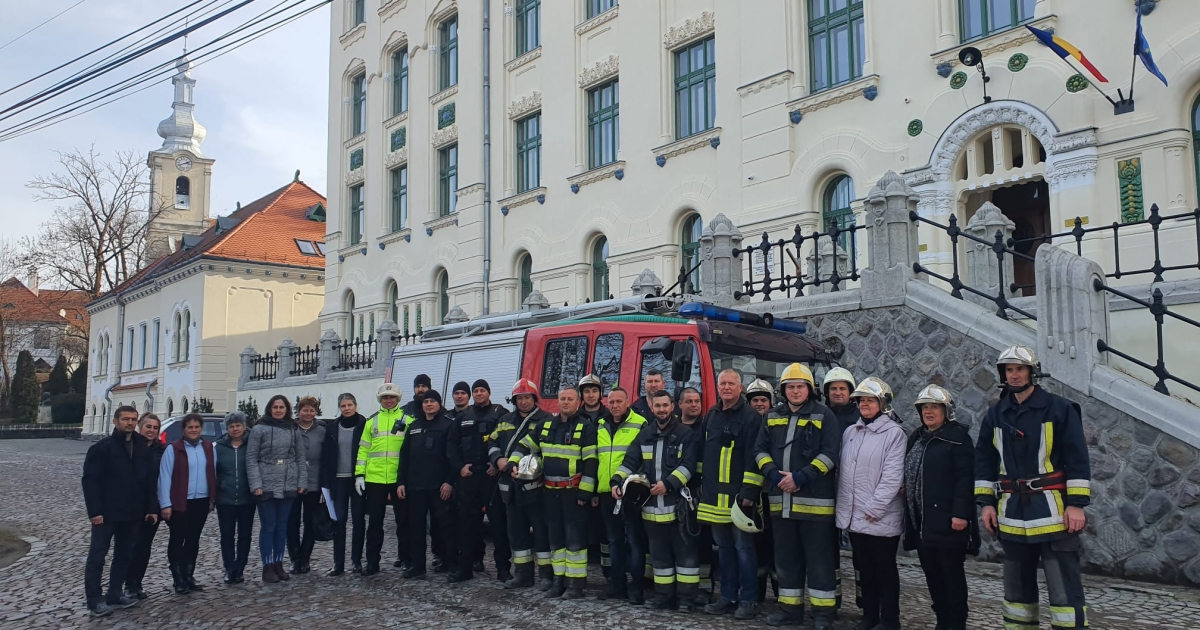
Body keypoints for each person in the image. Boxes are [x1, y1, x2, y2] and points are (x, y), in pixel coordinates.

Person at [975, 345, 1091, 630]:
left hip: (1054, 511)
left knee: (1063, 588)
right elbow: (985, 462)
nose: (1014, 376)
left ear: (1032, 372)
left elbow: (1077, 458)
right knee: (1016, 590)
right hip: (1012, 515)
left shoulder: (1060, 409)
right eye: (1009, 370)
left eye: (1020, 369)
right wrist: (987, 503)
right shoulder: (995, 415)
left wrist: (1076, 504)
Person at [755, 364, 841, 629]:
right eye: (790, 387)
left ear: (809, 389)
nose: (794, 391)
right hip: (781, 503)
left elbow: (830, 455)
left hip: (815, 506)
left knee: (819, 562)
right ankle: (789, 610)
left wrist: (800, 477)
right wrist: (774, 475)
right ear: (783, 390)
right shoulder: (771, 416)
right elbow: (759, 450)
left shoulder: (824, 415)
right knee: (786, 561)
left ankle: (823, 615)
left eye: (799, 386)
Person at [612, 390, 700, 611]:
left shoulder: (685, 434)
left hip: (678, 508)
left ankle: (687, 600)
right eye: (657, 406)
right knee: (659, 559)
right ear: (651, 408)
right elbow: (630, 460)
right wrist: (617, 481)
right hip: (651, 510)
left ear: (672, 407)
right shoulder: (645, 435)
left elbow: (689, 466)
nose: (661, 409)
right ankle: (664, 597)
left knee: (685, 558)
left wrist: (668, 484)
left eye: (665, 405)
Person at [509, 386, 598, 599]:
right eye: (562, 399)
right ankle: (559, 582)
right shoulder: (546, 425)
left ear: (578, 403)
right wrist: (514, 463)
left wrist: (584, 494)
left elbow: (591, 463)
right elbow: (523, 445)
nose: (566, 402)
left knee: (574, 542)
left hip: (573, 493)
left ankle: (575, 585)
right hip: (549, 493)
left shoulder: (586, 428)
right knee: (556, 541)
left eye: (570, 399)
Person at [904, 384, 978, 630]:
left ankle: (956, 624)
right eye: (925, 407)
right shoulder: (917, 437)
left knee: (952, 577)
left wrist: (960, 514)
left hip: (948, 522)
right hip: (923, 523)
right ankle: (942, 621)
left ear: (946, 410)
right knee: (933, 577)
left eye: (934, 407)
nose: (929, 412)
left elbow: (965, 479)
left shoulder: (958, 439)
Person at [837, 377, 907, 630]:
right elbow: (845, 475)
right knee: (863, 568)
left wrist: (875, 508)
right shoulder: (850, 432)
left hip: (880, 516)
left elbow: (892, 476)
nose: (865, 405)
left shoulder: (894, 434)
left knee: (884, 570)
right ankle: (869, 616)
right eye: (862, 400)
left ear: (883, 404)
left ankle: (889, 619)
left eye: (870, 400)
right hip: (856, 516)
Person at [82, 405, 158, 617]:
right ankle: (94, 599)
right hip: (106, 513)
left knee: (125, 555)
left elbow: (150, 481)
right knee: (97, 556)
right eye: (125, 419)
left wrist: (151, 508)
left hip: (133, 512)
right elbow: (90, 481)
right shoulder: (101, 449)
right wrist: (94, 511)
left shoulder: (142, 447)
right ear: (116, 421)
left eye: (133, 419)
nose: (130, 423)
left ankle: (115, 592)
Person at [701, 369, 764, 620]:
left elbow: (754, 456)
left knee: (744, 549)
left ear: (741, 388)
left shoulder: (750, 417)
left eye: (731, 383)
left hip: (739, 499)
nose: (726, 387)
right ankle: (727, 596)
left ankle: (748, 599)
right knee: (723, 549)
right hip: (714, 497)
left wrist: (749, 492)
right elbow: (704, 456)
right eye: (722, 383)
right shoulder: (712, 415)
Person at [490, 378, 554, 589]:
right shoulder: (505, 419)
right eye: (520, 398)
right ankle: (523, 574)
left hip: (535, 486)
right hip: (509, 486)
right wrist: (498, 459)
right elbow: (492, 441)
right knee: (516, 532)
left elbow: (550, 450)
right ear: (514, 400)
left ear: (534, 399)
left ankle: (546, 575)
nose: (524, 401)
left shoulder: (546, 419)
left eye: (527, 397)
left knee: (541, 532)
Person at [451, 379, 511, 582]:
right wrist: (460, 466)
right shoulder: (463, 417)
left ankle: (503, 569)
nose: (478, 393)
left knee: (498, 526)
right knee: (466, 526)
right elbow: (451, 446)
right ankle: (465, 568)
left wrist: (497, 464)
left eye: (482, 390)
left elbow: (507, 441)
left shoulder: (500, 414)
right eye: (475, 391)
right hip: (469, 478)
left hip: (491, 478)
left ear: (489, 392)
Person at [398, 389, 459, 579]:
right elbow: (404, 457)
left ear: (439, 404)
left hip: (439, 486)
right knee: (416, 528)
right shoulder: (414, 426)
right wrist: (401, 482)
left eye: (433, 401)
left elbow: (454, 456)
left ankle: (450, 563)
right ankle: (417, 565)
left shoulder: (449, 425)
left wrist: (449, 481)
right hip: (415, 486)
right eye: (426, 402)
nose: (429, 404)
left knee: (444, 527)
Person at [247, 395, 308, 584]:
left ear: (287, 409)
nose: (278, 410)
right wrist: (256, 484)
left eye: (282, 407)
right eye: (275, 407)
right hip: (266, 482)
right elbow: (251, 458)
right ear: (269, 408)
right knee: (268, 527)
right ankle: (267, 565)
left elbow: (299, 456)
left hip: (288, 481)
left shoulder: (293, 428)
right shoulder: (258, 429)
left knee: (282, 527)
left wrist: (301, 482)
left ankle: (279, 563)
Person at [594, 387, 648, 602]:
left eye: (619, 401)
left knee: (634, 541)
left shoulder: (640, 423)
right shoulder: (600, 425)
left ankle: (636, 587)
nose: (615, 405)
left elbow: (643, 458)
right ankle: (617, 584)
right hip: (607, 491)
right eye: (612, 402)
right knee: (614, 541)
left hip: (631, 492)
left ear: (628, 402)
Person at [356, 383, 412, 576]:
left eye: (392, 397)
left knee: (403, 522)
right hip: (375, 479)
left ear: (398, 399)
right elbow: (363, 450)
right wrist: (359, 475)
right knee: (374, 524)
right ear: (380, 400)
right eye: (385, 398)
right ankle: (372, 563)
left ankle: (406, 559)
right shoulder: (371, 422)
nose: (389, 400)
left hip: (399, 480)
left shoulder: (408, 420)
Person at [158, 413, 215, 595]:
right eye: (190, 427)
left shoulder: (208, 447)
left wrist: (212, 498)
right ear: (184, 429)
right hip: (179, 502)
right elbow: (165, 477)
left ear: (201, 429)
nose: (193, 430)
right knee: (177, 539)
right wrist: (165, 504)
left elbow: (212, 472)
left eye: (196, 427)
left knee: (193, 539)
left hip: (201, 501)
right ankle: (178, 579)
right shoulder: (173, 449)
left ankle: (189, 575)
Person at [320, 393, 367, 576]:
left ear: (355, 405)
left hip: (357, 479)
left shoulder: (364, 425)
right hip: (337, 480)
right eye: (343, 406)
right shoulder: (332, 428)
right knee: (339, 521)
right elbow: (326, 457)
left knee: (358, 521)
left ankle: (356, 561)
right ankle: (338, 563)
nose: (346, 408)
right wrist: (326, 483)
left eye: (349, 405)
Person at [677, 386, 712, 606]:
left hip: (700, 490)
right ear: (679, 405)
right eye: (688, 401)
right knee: (679, 541)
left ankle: (705, 588)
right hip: (676, 490)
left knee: (702, 541)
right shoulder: (673, 428)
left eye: (697, 401)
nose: (693, 405)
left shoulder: (706, 428)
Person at [124, 413, 164, 601]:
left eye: (155, 428)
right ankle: (126, 584)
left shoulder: (161, 450)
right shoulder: (130, 447)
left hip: (152, 506)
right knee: (129, 546)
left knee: (144, 547)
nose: (151, 431)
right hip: (131, 505)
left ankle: (136, 583)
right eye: (148, 427)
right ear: (140, 427)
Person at [745, 378, 776, 605]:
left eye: (763, 400)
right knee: (756, 546)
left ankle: (780, 592)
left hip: (774, 493)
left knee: (778, 546)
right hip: (753, 496)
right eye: (754, 400)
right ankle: (757, 593)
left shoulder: (778, 423)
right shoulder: (747, 424)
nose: (759, 404)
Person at [215, 412, 255, 585]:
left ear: (244, 426)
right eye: (231, 426)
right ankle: (229, 568)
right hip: (225, 499)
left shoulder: (252, 445)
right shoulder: (218, 447)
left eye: (238, 425)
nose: (235, 429)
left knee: (245, 535)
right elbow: (214, 472)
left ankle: (240, 567)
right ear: (227, 428)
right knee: (227, 535)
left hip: (247, 497)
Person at [288, 397, 326, 574]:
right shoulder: (290, 428)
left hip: (314, 481)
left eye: (312, 410)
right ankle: (294, 557)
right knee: (292, 521)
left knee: (310, 521)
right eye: (305, 410)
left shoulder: (322, 430)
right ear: (298, 411)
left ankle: (305, 557)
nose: (308, 413)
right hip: (293, 481)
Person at [822, 368, 859, 434]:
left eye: (842, 389)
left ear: (850, 392)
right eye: (833, 389)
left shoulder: (861, 418)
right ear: (827, 392)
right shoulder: (821, 416)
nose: (838, 393)